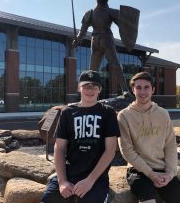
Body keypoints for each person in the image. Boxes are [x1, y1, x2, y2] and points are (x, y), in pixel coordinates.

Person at [40, 70, 120, 203]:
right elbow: (59, 148)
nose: (90, 90)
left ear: (100, 89)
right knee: (47, 199)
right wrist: (62, 181)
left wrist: (90, 181)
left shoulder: (108, 112)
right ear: (79, 88)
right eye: (86, 86)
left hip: (96, 177)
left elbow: (110, 150)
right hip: (69, 172)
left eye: (94, 86)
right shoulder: (67, 112)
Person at [117, 71, 180, 203]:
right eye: (138, 87)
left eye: (146, 87)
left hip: (162, 168)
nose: (142, 91)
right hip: (138, 171)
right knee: (148, 199)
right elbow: (126, 150)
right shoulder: (124, 116)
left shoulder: (163, 114)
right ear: (133, 90)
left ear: (153, 89)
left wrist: (170, 173)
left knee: (177, 197)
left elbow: (170, 145)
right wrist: (151, 174)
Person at [72, 0, 130, 96]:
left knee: (93, 71)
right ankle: (125, 90)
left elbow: (82, 31)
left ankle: (123, 90)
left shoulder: (91, 12)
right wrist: (78, 39)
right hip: (105, 40)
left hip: (96, 41)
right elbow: (125, 23)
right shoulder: (109, 12)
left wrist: (78, 39)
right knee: (110, 67)